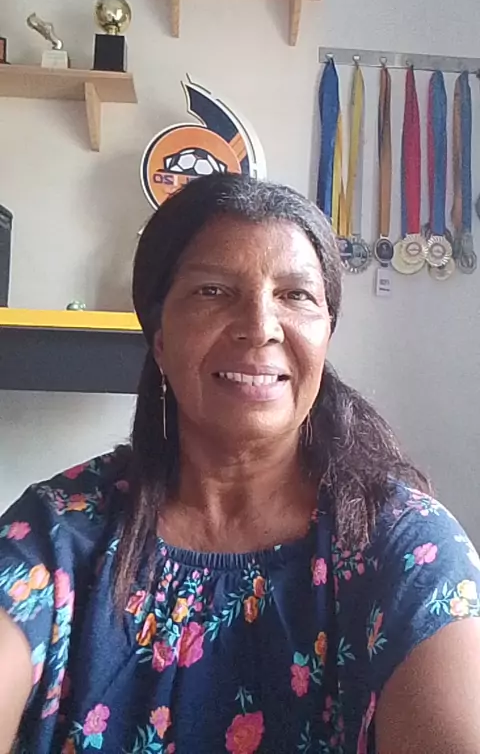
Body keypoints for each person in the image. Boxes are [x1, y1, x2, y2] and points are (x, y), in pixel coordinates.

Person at [1, 173, 480, 754]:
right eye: (212, 291)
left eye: (296, 295)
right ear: (159, 338)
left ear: (326, 334)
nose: (260, 327)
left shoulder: (404, 548)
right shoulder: (58, 536)